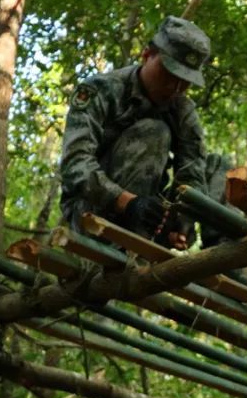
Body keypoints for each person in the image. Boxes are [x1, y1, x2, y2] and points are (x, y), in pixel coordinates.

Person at [60, 16, 211, 250]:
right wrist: (127, 203)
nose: (175, 88)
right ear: (147, 55)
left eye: (185, 82)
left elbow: (192, 174)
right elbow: (75, 163)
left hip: (145, 216)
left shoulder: (182, 109)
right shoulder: (101, 90)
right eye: (169, 74)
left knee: (219, 169)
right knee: (154, 132)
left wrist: (182, 220)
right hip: (90, 215)